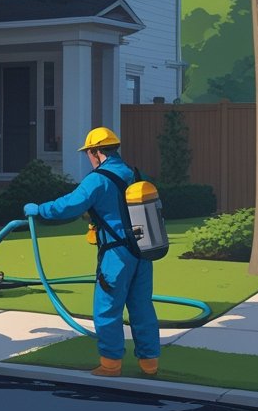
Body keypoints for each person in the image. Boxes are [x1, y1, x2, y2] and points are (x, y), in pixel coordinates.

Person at [23, 127, 160, 377]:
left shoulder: (97, 179)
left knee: (107, 308)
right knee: (142, 307)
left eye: (88, 152)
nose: (88, 156)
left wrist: (38, 210)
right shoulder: (134, 173)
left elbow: (68, 206)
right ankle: (149, 364)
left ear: (96, 152)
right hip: (143, 253)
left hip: (116, 256)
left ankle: (110, 364)